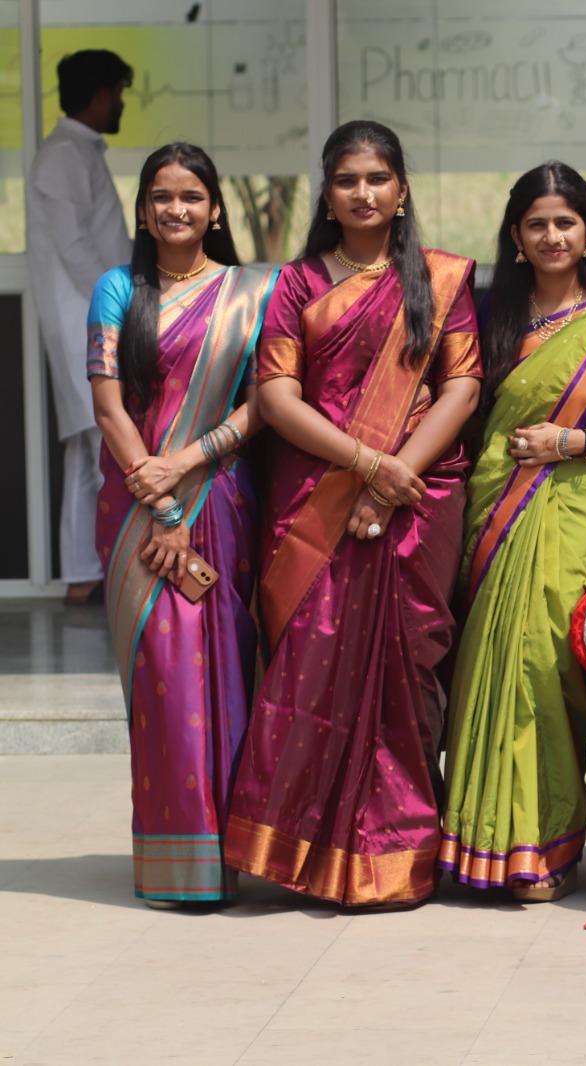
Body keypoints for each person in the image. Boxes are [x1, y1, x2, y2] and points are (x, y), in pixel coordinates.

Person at [224, 121, 481, 909]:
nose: (363, 193)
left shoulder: (440, 279)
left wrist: (400, 474)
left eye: (377, 178)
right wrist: (370, 465)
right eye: (347, 180)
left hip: (419, 498)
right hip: (317, 500)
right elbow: (277, 397)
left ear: (401, 190)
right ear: (328, 195)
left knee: (407, 672)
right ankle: (301, 854)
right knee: (310, 671)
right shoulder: (296, 284)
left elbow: (463, 386)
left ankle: (398, 855)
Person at [440, 163, 586, 902]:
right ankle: (480, 843)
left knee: (544, 663)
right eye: (536, 223)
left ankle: (546, 847)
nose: (551, 236)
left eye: (565, 222)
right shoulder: (490, 317)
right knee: (487, 666)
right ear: (516, 236)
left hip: (575, 505)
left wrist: (570, 442)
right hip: (494, 506)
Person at [88, 143, 275, 907]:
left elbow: (264, 402)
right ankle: (174, 863)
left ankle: (223, 857)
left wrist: (189, 462)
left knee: (226, 676)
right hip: (138, 509)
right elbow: (108, 406)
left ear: (215, 209)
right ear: (142, 210)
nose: (176, 209)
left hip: (221, 502)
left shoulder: (251, 293)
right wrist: (162, 502)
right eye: (161, 197)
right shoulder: (117, 290)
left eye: (191, 196)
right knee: (163, 685)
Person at [27, 49, 134, 604]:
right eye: (119, 93)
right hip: (86, 318)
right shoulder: (64, 154)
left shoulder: (77, 150)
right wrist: (119, 306)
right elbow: (74, 249)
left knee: (91, 443)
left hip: (93, 314)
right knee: (100, 440)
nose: (121, 104)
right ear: (99, 96)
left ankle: (85, 574)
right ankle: (97, 572)